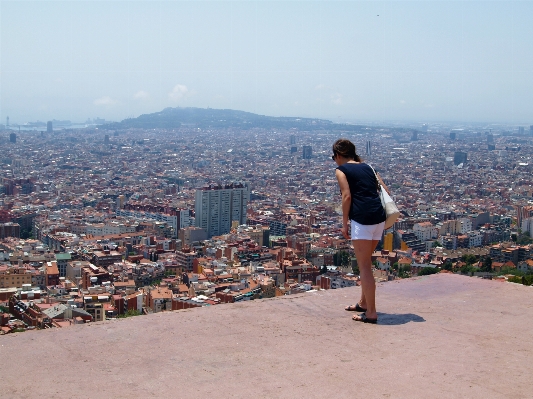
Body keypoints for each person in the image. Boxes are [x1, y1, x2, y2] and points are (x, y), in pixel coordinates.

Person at [332, 138, 389, 324]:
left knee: (364, 266)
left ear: (339, 155)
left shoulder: (341, 170)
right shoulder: (368, 167)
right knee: (365, 261)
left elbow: (346, 195)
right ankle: (364, 303)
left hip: (362, 220)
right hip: (379, 219)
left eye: (334, 157)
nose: (335, 160)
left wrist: (345, 222)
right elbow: (385, 190)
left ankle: (371, 313)